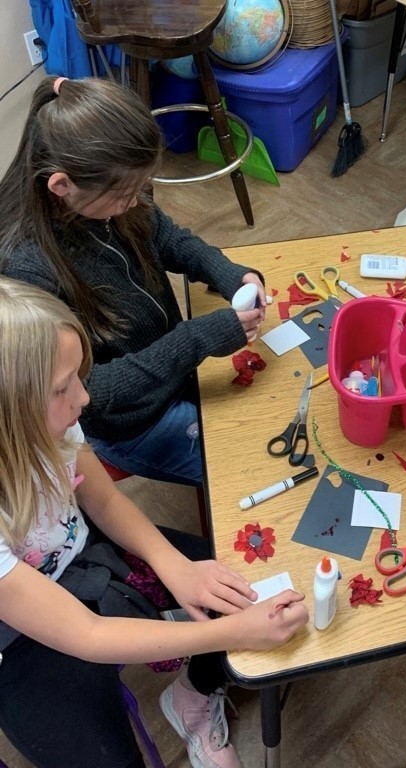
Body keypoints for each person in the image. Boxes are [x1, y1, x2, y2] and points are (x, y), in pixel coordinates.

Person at [0, 277, 309, 768]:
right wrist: (234, 634)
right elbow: (86, 634)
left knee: (236, 585)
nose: (83, 399)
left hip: (74, 549)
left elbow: (101, 501)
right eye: (64, 388)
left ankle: (192, 697)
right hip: (16, 639)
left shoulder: (50, 416)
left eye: (80, 375)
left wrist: (173, 564)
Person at [0, 75, 267, 488]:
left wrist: (228, 273)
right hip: (133, 422)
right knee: (251, 471)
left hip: (173, 373)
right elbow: (90, 394)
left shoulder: (107, 199)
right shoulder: (26, 271)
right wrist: (196, 339)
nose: (136, 201)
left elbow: (165, 236)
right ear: (61, 186)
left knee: (266, 413)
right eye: (126, 193)